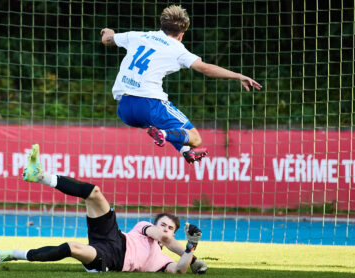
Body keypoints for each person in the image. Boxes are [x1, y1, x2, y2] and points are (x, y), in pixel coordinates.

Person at [0, 144, 208, 274]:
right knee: (95, 193)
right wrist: (196, 260)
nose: (164, 229)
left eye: (169, 227)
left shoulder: (163, 261)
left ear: (175, 232)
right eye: (162, 224)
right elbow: (166, 240)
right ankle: (40, 176)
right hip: (114, 235)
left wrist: (191, 248)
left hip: (112, 258)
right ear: (154, 225)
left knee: (72, 248)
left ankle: (12, 254)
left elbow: (179, 270)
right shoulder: (146, 228)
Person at [100, 5, 262, 163]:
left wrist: (108, 32)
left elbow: (107, 39)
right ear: (181, 35)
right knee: (195, 138)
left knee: (165, 127)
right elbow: (205, 68)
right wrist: (237, 75)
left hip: (125, 109)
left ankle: (185, 150)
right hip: (150, 104)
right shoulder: (178, 49)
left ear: (161, 26)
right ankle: (167, 136)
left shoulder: (138, 36)